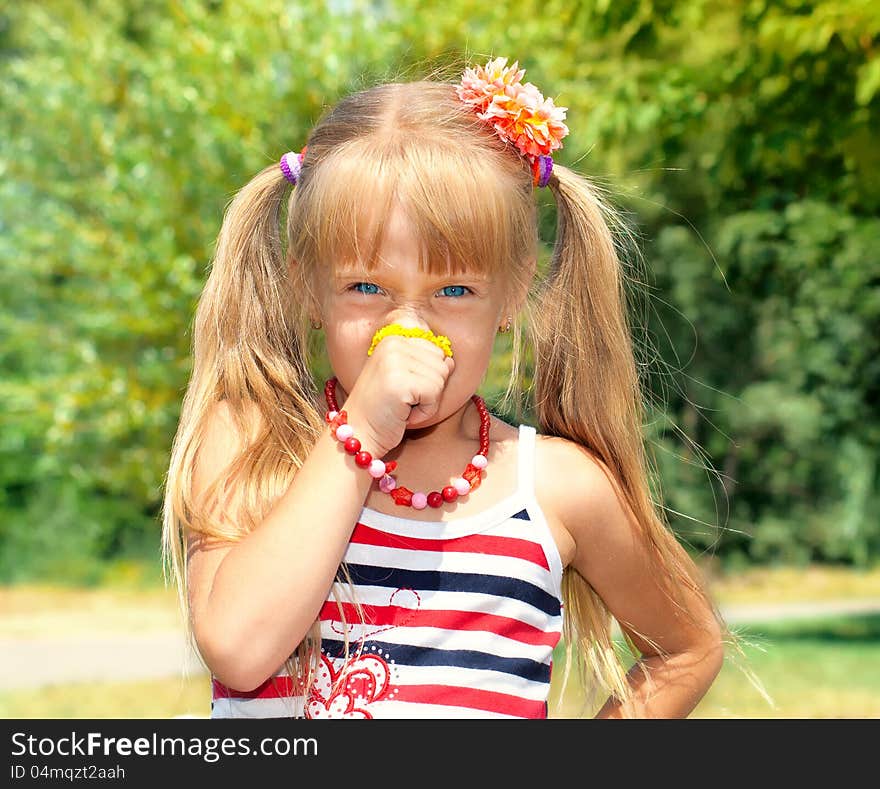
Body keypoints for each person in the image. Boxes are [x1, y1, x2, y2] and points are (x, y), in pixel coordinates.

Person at [161, 56, 729, 719]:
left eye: (454, 289)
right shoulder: (257, 440)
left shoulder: (555, 487)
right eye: (366, 287)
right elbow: (237, 647)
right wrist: (361, 436)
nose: (408, 327)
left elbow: (687, 647)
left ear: (514, 290)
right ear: (309, 286)